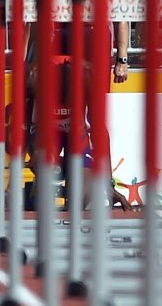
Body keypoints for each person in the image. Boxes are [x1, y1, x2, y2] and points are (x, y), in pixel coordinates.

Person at [22, 57, 134, 211]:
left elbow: (99, 132)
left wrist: (108, 183)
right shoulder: (35, 77)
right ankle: (42, 184)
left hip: (77, 132)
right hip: (47, 131)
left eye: (67, 101)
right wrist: (33, 156)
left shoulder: (87, 78)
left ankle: (73, 178)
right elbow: (24, 124)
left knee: (81, 197)